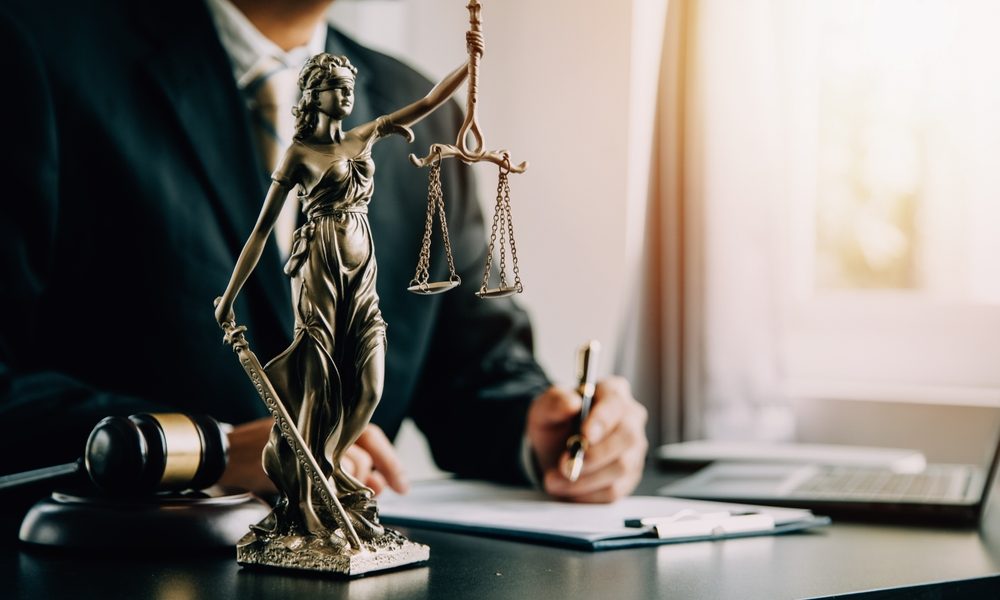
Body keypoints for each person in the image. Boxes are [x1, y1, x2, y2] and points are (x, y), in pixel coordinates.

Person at [0, 0, 648, 505]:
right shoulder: (36, 51)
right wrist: (214, 449)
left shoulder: (416, 112)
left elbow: (476, 377)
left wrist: (541, 436)